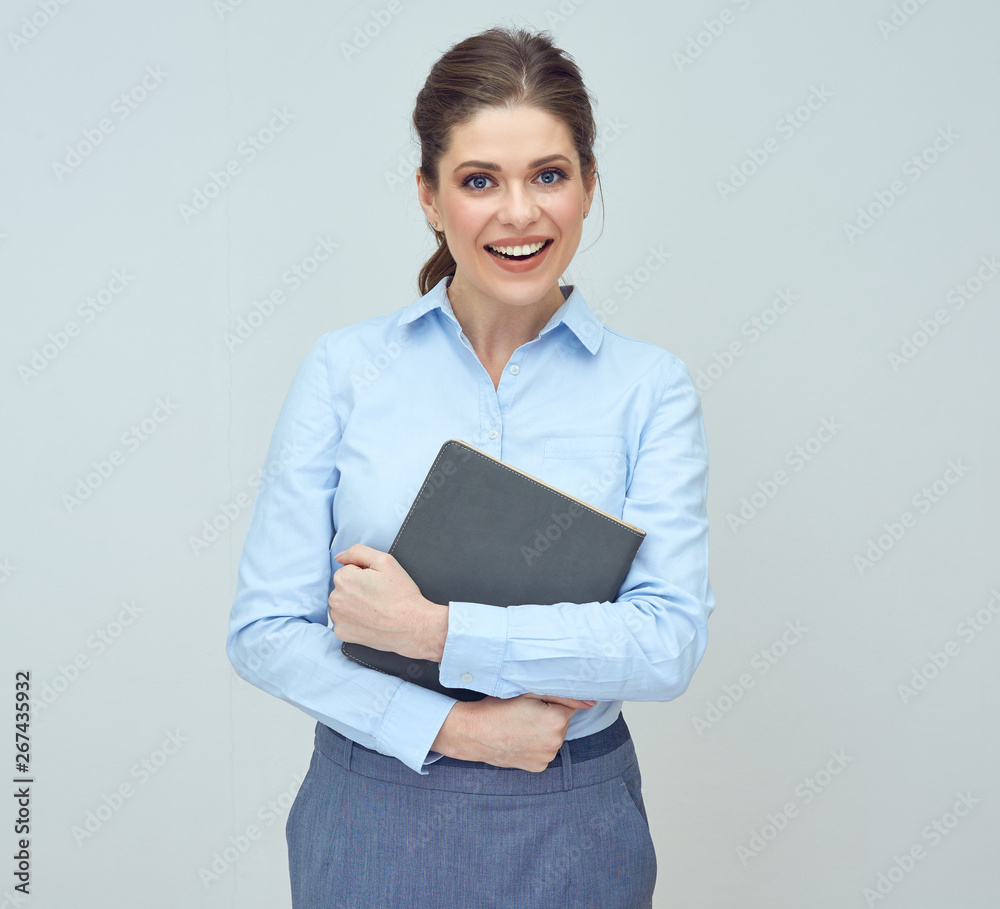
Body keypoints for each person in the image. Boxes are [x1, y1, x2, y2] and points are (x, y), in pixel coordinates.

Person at [227, 25, 714, 909]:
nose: (520, 212)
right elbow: (266, 631)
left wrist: (438, 632)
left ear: (589, 185)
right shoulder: (344, 371)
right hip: (373, 808)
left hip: (576, 817)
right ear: (428, 195)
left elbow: (665, 644)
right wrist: (452, 725)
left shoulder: (651, 389)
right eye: (480, 180)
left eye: (550, 175)